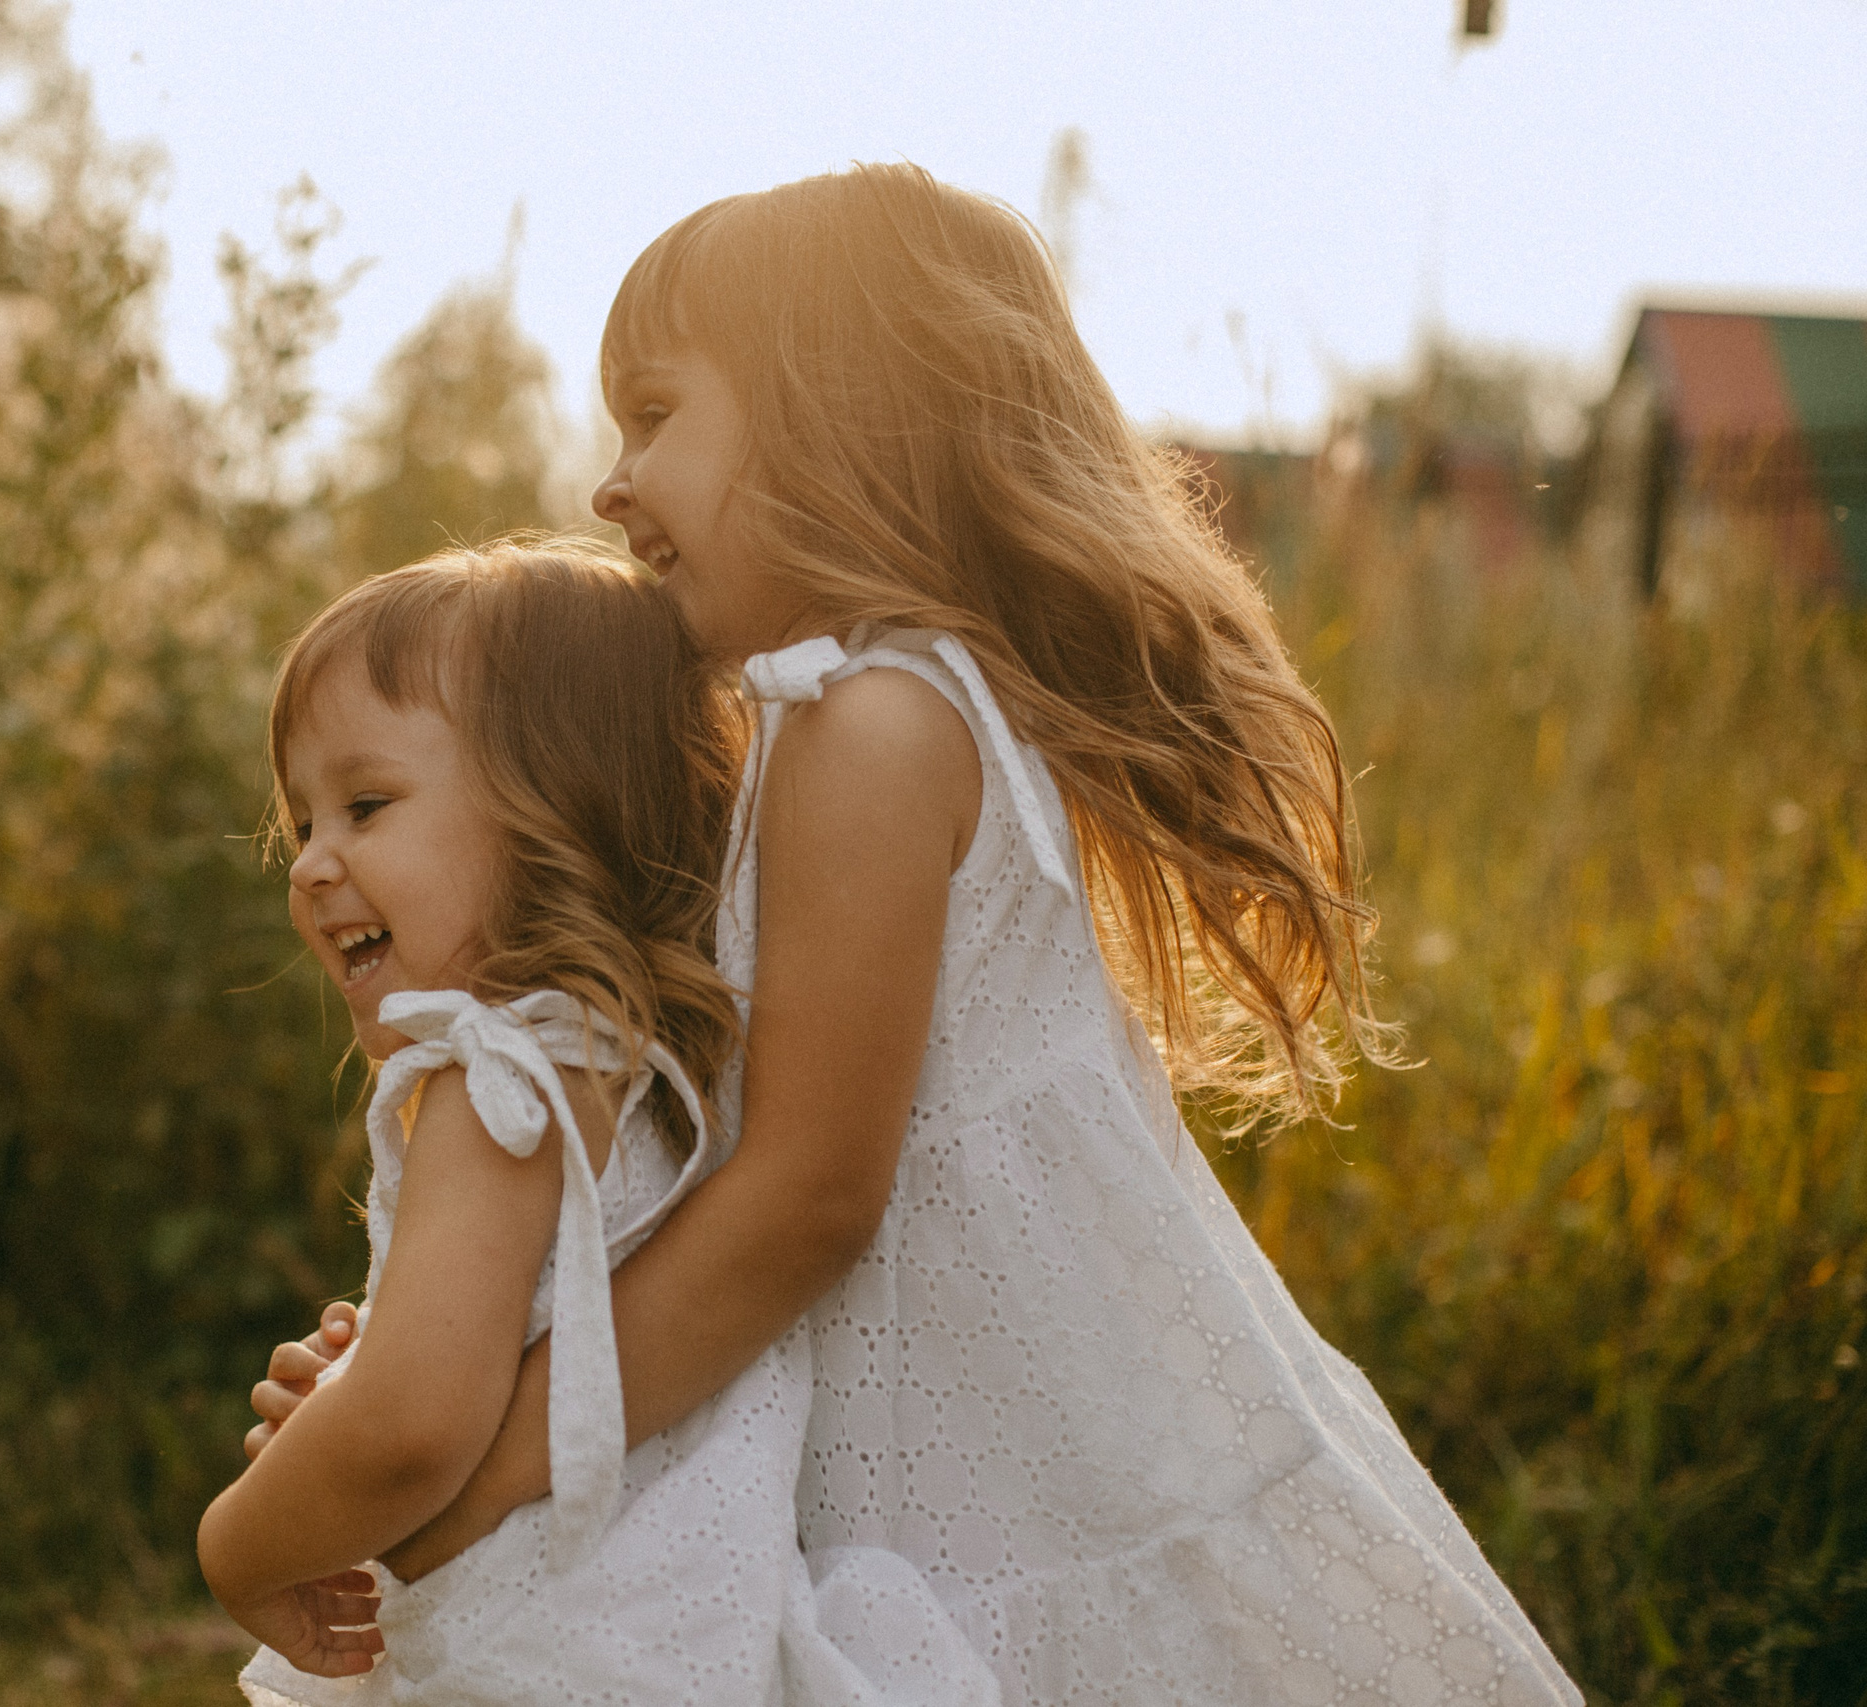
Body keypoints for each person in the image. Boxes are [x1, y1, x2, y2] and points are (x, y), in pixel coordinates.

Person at [253, 165, 1582, 1705]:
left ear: (836, 416)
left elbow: (805, 1196)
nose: (613, 487)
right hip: (903, 1459)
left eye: (657, 417)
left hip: (1024, 1477)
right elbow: (679, 1147)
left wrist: (474, 1468)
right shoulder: (824, 721)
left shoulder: (875, 724)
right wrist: (428, 1356)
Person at [203, 543, 999, 1705]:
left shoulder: (497, 1090)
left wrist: (244, 1539)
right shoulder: (660, 1073)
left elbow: (413, 1431)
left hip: (528, 1654)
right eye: (304, 821)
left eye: (365, 806)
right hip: (679, 1642)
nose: (314, 865)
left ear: (551, 811)